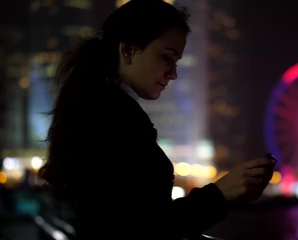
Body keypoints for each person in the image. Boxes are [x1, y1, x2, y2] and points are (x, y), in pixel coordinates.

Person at [38, 0, 276, 239]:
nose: (173, 73)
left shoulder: (94, 105)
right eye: (167, 57)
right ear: (128, 50)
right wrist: (221, 193)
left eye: (177, 61)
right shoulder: (111, 118)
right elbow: (144, 227)